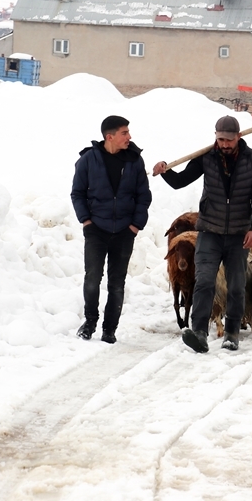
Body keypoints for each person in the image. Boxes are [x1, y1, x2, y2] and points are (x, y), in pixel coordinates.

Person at [152, 115, 252, 353]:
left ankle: (232, 333)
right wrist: (165, 171)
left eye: (229, 140)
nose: (224, 144)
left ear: (239, 137)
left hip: (238, 235)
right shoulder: (207, 157)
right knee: (204, 282)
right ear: (215, 136)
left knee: (236, 286)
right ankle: (199, 332)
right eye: (220, 139)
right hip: (208, 232)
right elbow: (180, 181)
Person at [72, 115, 152, 344]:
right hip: (96, 229)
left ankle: (110, 329)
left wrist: (135, 225)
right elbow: (77, 192)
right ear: (110, 137)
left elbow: (143, 196)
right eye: (124, 133)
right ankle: (90, 322)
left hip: (124, 232)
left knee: (117, 283)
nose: (129, 137)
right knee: (92, 278)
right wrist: (86, 220)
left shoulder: (134, 161)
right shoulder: (89, 159)